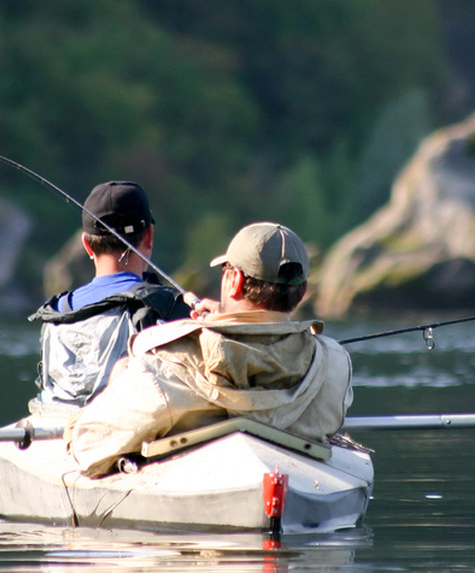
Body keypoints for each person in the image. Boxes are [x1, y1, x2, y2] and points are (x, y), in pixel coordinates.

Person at [66, 221, 353, 477]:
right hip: (294, 482)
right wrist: (225, 321)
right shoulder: (334, 362)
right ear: (301, 292)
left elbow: (89, 447)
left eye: (226, 270)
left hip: (196, 500)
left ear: (235, 281)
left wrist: (118, 377)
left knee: (122, 369)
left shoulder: (164, 362)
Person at [28, 181, 190, 415]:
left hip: (58, 430)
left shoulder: (57, 312)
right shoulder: (170, 308)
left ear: (86, 244)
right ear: (149, 236)